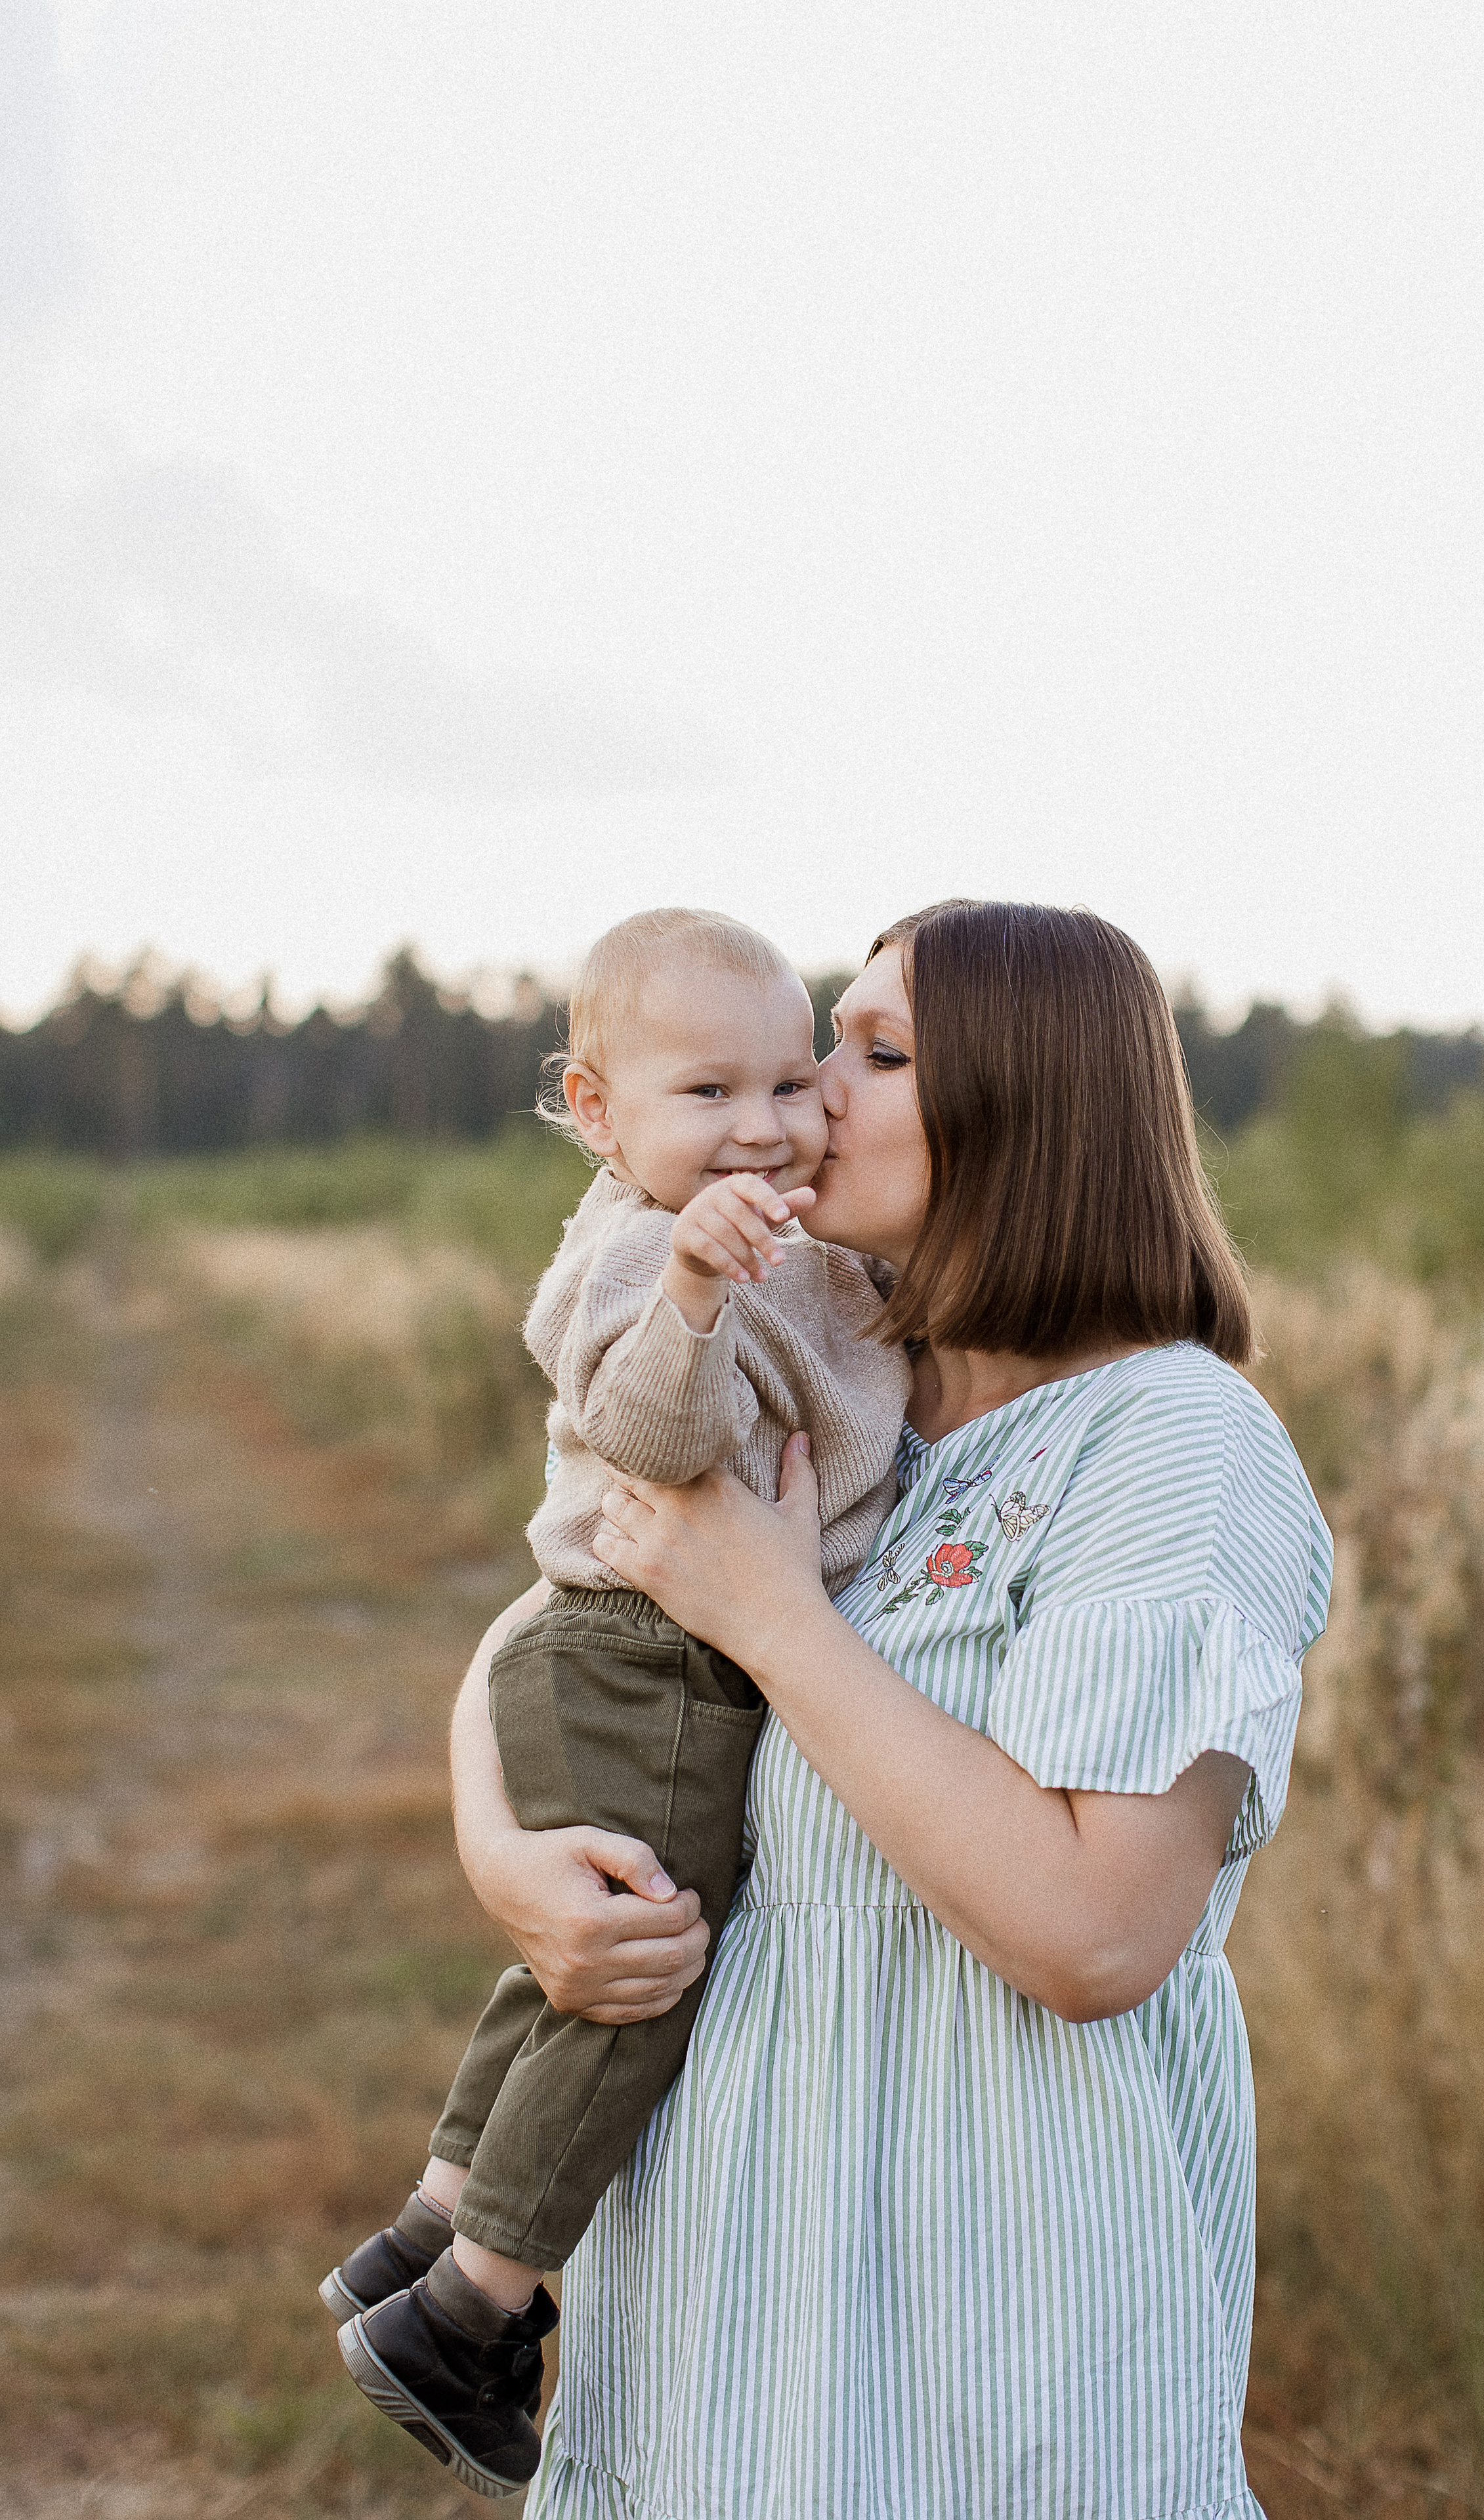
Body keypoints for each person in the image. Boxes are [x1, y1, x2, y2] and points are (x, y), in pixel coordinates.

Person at [452, 900, 1333, 2520]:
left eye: (872, 1055)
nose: (806, 1096)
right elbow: (568, 1602)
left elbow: (1092, 1933)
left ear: (1027, 1101)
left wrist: (778, 1622)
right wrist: (498, 1848)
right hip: (730, 2330)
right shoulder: (859, 1409)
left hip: (990, 2359)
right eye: (810, 1052)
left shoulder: (1170, 1447)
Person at [323, 908, 909, 2498]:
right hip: (636, 1657)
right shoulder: (649, 1253)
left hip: (615, 1650)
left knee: (591, 1942)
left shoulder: (756, 1232)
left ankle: (435, 2218)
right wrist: (700, 1296)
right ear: (594, 1110)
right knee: (643, 1966)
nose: (766, 1128)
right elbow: (652, 1434)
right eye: (705, 1095)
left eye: (789, 1086)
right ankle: (469, 2313)